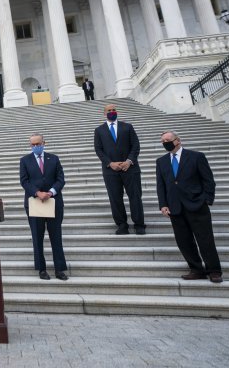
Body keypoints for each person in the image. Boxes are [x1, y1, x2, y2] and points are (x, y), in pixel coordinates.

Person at [156, 131, 222, 283]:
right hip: (175, 208)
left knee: (205, 239)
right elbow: (161, 185)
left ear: (177, 140)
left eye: (168, 140)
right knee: (184, 241)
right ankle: (196, 269)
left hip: (197, 205)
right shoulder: (161, 161)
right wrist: (163, 204)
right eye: (163, 141)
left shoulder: (196, 156)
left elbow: (208, 180)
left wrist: (206, 200)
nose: (165, 142)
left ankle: (214, 270)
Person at [19, 133, 68, 281]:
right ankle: (41, 269)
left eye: (38, 144)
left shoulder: (53, 158)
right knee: (37, 237)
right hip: (35, 203)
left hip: (53, 202)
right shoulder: (25, 160)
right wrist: (36, 192)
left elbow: (61, 179)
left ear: (43, 143)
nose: (36, 147)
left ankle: (59, 269)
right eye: (33, 145)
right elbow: (24, 181)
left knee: (56, 237)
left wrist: (51, 192)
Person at [93, 103, 146, 235]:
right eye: (109, 110)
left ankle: (139, 224)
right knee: (115, 198)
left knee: (135, 197)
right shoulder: (99, 130)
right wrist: (110, 163)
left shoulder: (127, 127)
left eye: (114, 110)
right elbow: (98, 149)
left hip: (130, 168)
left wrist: (129, 161)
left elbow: (135, 145)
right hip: (110, 171)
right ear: (104, 113)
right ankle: (122, 225)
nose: (112, 112)